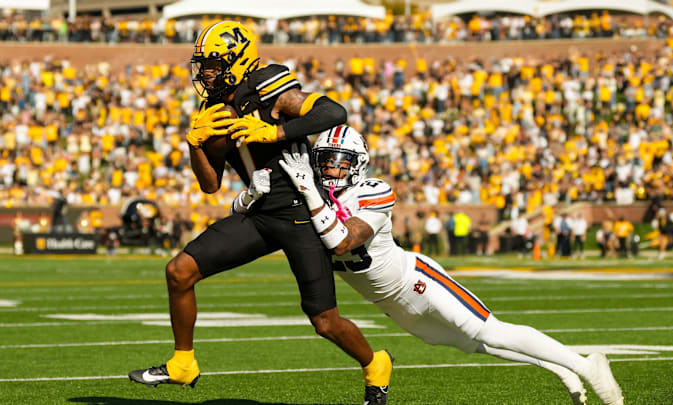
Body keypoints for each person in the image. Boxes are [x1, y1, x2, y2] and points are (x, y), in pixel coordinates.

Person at [128, 22, 393, 405]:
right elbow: (209, 184)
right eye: (203, 65)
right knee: (179, 271)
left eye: (213, 64)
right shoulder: (211, 108)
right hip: (258, 213)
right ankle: (183, 363)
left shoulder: (269, 87)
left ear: (237, 60)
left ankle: (376, 364)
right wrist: (194, 145)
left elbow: (334, 112)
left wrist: (274, 133)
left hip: (301, 213)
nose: (205, 73)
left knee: (324, 321)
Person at [276, 125, 624, 405]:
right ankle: (558, 367)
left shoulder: (372, 190)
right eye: (324, 161)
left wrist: (308, 193)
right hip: (387, 301)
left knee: (488, 330)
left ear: (359, 164)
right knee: (471, 344)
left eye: (341, 162)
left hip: (416, 281)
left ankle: (586, 364)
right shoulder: (312, 195)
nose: (331, 170)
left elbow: (341, 241)